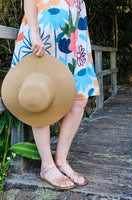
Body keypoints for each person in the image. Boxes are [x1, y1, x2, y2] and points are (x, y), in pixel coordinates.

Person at [11, 0, 100, 189]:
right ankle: (47, 166)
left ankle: (61, 161)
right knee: (41, 95)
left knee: (80, 97)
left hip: (75, 29)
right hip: (44, 27)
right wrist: (35, 33)